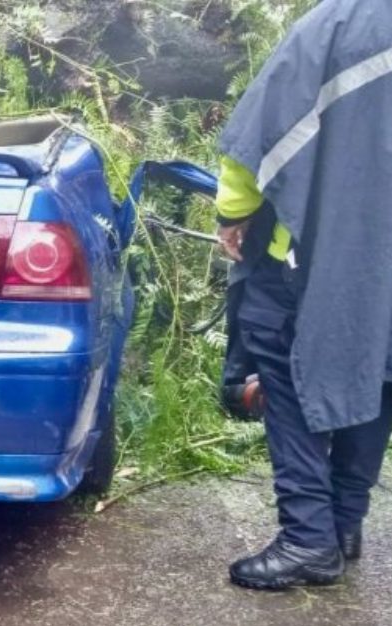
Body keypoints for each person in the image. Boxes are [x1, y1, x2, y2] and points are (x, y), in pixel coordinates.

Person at [215, 0, 392, 590]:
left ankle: (308, 538)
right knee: (379, 369)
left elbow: (267, 130)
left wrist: (232, 214)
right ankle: (343, 524)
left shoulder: (340, 23)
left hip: (316, 255)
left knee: (284, 362)